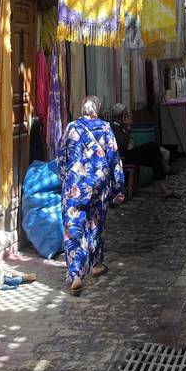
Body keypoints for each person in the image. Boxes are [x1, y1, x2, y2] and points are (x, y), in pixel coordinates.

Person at [57, 95, 124, 295]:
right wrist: (119, 186)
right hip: (98, 185)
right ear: (97, 109)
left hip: (75, 185)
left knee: (73, 227)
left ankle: (76, 274)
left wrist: (66, 180)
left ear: (82, 109)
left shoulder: (70, 128)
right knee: (96, 224)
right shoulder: (105, 128)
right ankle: (96, 264)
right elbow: (114, 158)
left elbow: (61, 158)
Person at [110, 103, 176, 199]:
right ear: (120, 116)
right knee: (152, 146)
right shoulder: (114, 127)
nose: (127, 116)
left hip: (129, 153)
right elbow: (122, 146)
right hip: (123, 157)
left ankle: (164, 189)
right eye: (125, 114)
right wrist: (128, 128)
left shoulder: (121, 126)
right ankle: (166, 169)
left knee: (155, 158)